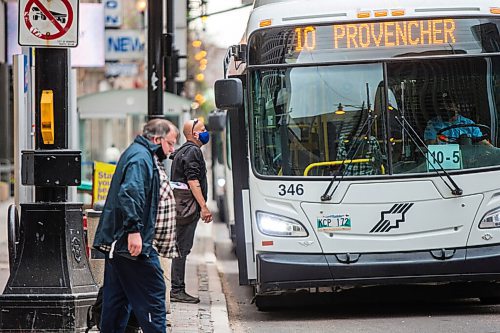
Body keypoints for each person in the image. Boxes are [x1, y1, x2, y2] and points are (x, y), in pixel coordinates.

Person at [93, 118, 179, 333]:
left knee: (116, 302)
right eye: (170, 142)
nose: (172, 148)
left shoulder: (139, 153)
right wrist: (134, 231)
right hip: (132, 244)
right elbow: (130, 194)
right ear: (157, 139)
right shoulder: (141, 158)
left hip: (120, 244)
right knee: (154, 295)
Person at [170, 118, 213, 304]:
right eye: (202, 129)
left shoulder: (183, 151)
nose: (205, 132)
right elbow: (193, 181)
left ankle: (177, 288)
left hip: (182, 207)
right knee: (182, 248)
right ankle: (177, 290)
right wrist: (203, 207)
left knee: (181, 247)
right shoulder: (193, 151)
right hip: (188, 208)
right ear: (194, 134)